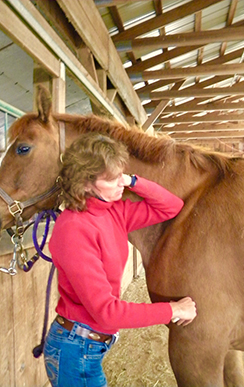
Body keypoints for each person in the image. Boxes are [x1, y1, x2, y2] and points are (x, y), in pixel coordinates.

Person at [43, 132, 197, 387]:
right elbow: (107, 312)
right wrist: (173, 310)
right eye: (112, 179)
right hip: (75, 349)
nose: (120, 184)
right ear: (84, 184)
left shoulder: (115, 211)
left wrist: (133, 180)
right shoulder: (73, 229)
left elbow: (172, 206)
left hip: (89, 345)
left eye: (121, 175)